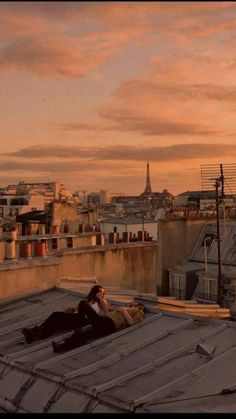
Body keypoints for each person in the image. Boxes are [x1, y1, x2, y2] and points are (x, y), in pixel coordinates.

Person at [21, 284, 109, 344]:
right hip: (77, 316)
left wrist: (101, 300)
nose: (100, 294)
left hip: (86, 320)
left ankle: (37, 332)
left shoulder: (101, 302)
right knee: (56, 316)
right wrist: (71, 310)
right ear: (94, 292)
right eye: (99, 292)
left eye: (102, 293)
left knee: (58, 317)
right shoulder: (88, 301)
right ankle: (38, 333)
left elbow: (106, 312)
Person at [52, 300, 147, 353]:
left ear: (140, 307)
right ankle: (60, 347)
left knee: (83, 304)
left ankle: (78, 325)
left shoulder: (139, 312)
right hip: (106, 324)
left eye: (136, 304)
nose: (133, 305)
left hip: (109, 323)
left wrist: (124, 310)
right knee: (84, 336)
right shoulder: (127, 308)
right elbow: (109, 311)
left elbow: (131, 322)